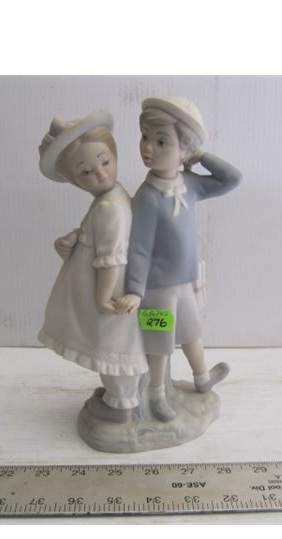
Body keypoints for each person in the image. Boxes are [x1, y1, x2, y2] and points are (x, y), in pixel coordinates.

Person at [116, 96, 242, 422]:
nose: (147, 147)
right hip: (156, 289)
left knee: (191, 331)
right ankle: (157, 393)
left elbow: (232, 179)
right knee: (159, 343)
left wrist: (201, 156)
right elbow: (139, 248)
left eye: (161, 141)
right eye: (145, 136)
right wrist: (135, 290)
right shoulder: (147, 197)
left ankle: (202, 377)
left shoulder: (190, 185)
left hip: (184, 282)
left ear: (184, 149)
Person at [38, 109, 147, 423]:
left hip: (109, 289)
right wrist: (73, 240)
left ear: (115, 154)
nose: (99, 174)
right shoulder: (110, 197)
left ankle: (122, 404)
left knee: (112, 346)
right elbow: (96, 232)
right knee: (111, 345)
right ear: (73, 179)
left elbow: (111, 257)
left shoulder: (111, 206)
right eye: (85, 172)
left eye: (105, 162)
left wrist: (102, 297)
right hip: (104, 283)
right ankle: (123, 396)